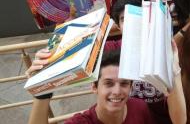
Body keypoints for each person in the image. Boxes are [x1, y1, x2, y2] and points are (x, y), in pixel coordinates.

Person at [105, 0, 187, 124]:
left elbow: (180, 120)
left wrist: (174, 71)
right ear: (119, 26)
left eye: (136, 16)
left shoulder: (165, 50)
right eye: (124, 19)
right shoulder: (111, 50)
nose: (131, 23)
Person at [27, 49, 155, 124]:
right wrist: (41, 93)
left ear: (131, 87)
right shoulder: (82, 122)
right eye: (108, 83)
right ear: (94, 87)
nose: (117, 91)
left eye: (124, 83)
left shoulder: (140, 107)